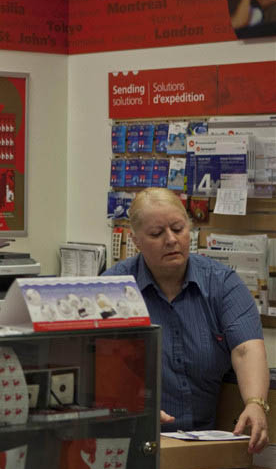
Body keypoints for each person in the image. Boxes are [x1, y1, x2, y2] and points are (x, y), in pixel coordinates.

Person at [104, 188, 269, 453]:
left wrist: (255, 403)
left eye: (178, 229)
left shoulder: (222, 283)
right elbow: (96, 363)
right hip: (129, 442)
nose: (171, 240)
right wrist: (132, 403)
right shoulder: (112, 288)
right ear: (135, 241)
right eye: (157, 234)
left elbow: (246, 348)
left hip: (203, 443)